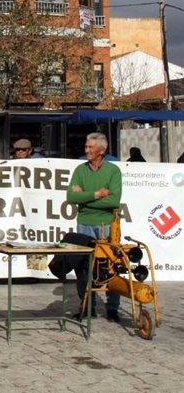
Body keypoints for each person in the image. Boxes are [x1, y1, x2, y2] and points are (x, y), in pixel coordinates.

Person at [67, 132, 123, 323]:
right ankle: (86, 306)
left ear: (102, 149)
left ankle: (112, 308)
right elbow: (71, 198)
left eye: (90, 147)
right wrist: (98, 194)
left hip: (107, 224)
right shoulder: (80, 170)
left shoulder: (113, 171)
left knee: (111, 265)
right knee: (83, 267)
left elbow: (114, 201)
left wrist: (86, 198)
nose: (86, 150)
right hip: (84, 224)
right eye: (86, 146)